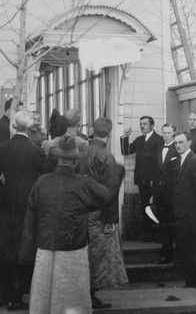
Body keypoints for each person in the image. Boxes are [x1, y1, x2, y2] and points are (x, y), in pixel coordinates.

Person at [19, 136, 124, 314]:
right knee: (71, 292)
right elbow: (106, 196)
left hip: (45, 245)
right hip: (73, 246)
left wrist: (26, 250)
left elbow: (30, 219)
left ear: (56, 158)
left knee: (44, 291)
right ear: (76, 161)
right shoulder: (81, 182)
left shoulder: (42, 181)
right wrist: (117, 170)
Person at [0, 110, 46, 311]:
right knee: (24, 247)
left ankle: (1, 294)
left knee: (6, 246)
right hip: (28, 202)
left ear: (14, 125)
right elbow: (44, 175)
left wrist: (2, 194)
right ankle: (16, 296)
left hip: (7, 200)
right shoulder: (35, 150)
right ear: (31, 125)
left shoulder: (1, 149)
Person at [85, 117, 128, 309]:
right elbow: (109, 193)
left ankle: (85, 293)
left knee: (84, 255)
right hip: (98, 213)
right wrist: (111, 220)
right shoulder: (107, 156)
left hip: (80, 211)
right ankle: (91, 295)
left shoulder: (81, 150)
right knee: (98, 256)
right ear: (109, 134)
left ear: (92, 131)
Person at [171, 132, 196, 287]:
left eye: (181, 142)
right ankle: (191, 281)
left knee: (194, 249)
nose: (178, 146)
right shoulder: (181, 160)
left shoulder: (194, 161)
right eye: (176, 143)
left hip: (192, 215)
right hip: (182, 214)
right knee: (185, 248)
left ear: (189, 143)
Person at [120, 115, 164, 241]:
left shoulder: (158, 140)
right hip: (141, 180)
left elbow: (159, 163)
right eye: (141, 124)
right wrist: (125, 137)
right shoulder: (139, 140)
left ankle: (157, 234)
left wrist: (154, 180)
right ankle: (148, 233)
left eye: (145, 124)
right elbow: (125, 151)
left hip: (153, 181)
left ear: (152, 125)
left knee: (155, 206)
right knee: (145, 206)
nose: (142, 126)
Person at [149, 123, 178, 264]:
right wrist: (154, 193)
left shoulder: (177, 149)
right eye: (164, 133)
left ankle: (175, 256)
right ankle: (165, 255)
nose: (166, 136)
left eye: (169, 133)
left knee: (174, 225)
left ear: (174, 134)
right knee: (164, 226)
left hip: (172, 195)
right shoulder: (159, 149)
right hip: (160, 194)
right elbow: (155, 173)